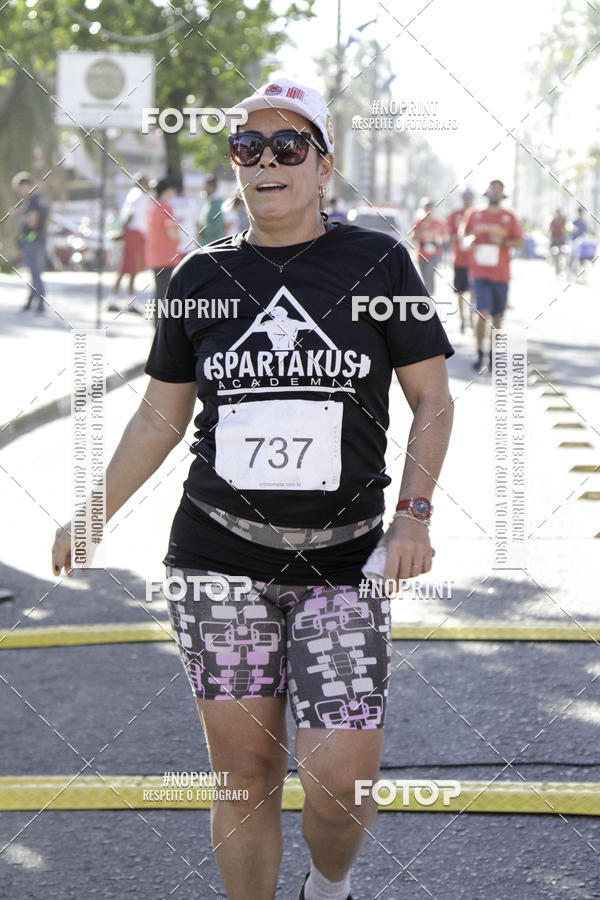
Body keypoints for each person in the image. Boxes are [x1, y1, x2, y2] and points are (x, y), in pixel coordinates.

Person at [52, 74, 454, 900]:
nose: (265, 160)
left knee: (343, 784)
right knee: (244, 774)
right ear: (235, 165)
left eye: (287, 145)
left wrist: (413, 515)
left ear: (322, 164)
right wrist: (92, 512)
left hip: (344, 563)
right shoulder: (198, 277)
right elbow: (160, 419)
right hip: (216, 558)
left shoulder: (377, 261)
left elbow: (434, 400)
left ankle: (328, 887)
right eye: (247, 147)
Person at [462, 179, 524, 371]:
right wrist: (470, 240)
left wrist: (504, 241)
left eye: (499, 189)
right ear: (487, 192)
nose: (495, 192)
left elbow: (519, 242)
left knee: (497, 317)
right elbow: (463, 235)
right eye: (492, 188)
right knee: (482, 311)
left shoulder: (509, 217)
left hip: (501, 274)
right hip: (480, 273)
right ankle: (479, 351)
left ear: (503, 193)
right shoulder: (475, 214)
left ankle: (493, 355)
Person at [145, 176, 182, 325]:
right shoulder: (167, 208)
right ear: (168, 190)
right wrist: (179, 235)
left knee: (159, 290)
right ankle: (163, 324)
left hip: (154, 254)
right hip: (167, 256)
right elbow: (172, 233)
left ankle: (157, 322)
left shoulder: (152, 205)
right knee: (167, 292)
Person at [110, 172, 149, 312]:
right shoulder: (138, 195)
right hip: (133, 235)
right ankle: (116, 301)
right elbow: (131, 215)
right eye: (146, 182)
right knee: (127, 269)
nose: (148, 185)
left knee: (131, 269)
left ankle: (126, 301)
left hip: (135, 235)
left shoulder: (136, 195)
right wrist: (123, 232)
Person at [12, 171, 49, 314]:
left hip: (33, 242)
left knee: (35, 273)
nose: (20, 192)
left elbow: (33, 222)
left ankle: (39, 302)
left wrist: (20, 215)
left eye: (22, 188)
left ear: (27, 185)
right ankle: (32, 300)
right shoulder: (38, 199)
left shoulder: (34, 200)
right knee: (35, 273)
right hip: (36, 241)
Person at [447, 187, 475, 333]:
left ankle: (471, 317)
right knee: (460, 292)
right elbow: (449, 236)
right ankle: (462, 319)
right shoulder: (455, 215)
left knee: (473, 290)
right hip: (459, 259)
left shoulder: (478, 214)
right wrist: (461, 237)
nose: (467, 199)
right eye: (465, 197)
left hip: (475, 261)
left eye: (470, 197)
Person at [410, 198, 445, 297]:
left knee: (430, 273)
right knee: (424, 276)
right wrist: (422, 229)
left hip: (435, 253)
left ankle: (430, 295)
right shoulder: (418, 222)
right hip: (421, 253)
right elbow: (413, 237)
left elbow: (445, 237)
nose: (428, 210)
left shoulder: (438, 223)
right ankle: (426, 294)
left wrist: (438, 237)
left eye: (431, 208)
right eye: (426, 208)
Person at [170, 178, 201, 259]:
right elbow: (197, 223)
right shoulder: (191, 202)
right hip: (190, 241)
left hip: (176, 242)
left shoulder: (170, 203)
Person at [199, 173, 225, 243]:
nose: (204, 188)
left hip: (214, 242)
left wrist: (202, 233)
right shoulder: (208, 201)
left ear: (212, 187)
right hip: (207, 242)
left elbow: (213, 225)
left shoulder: (218, 203)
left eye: (206, 186)